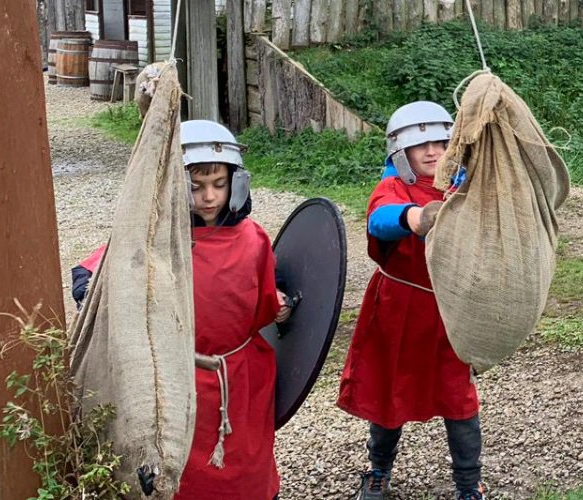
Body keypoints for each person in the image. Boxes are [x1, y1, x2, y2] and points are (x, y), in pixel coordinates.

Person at [72, 120, 292, 499]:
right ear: (172, 184)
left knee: (247, 465)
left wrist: (279, 305)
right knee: (185, 473)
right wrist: (95, 291)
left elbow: (261, 305)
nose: (209, 197)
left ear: (236, 182)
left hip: (239, 377)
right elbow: (93, 273)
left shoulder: (253, 238)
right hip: (176, 381)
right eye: (196, 186)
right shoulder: (151, 240)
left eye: (219, 185)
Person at [336, 101, 485, 500]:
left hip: (448, 312)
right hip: (398, 308)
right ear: (400, 152)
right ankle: (379, 471)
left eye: (440, 142)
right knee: (389, 394)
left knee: (459, 398)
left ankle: (469, 485)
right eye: (422, 145)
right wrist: (414, 218)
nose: (433, 152)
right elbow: (379, 220)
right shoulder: (393, 187)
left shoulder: (462, 185)